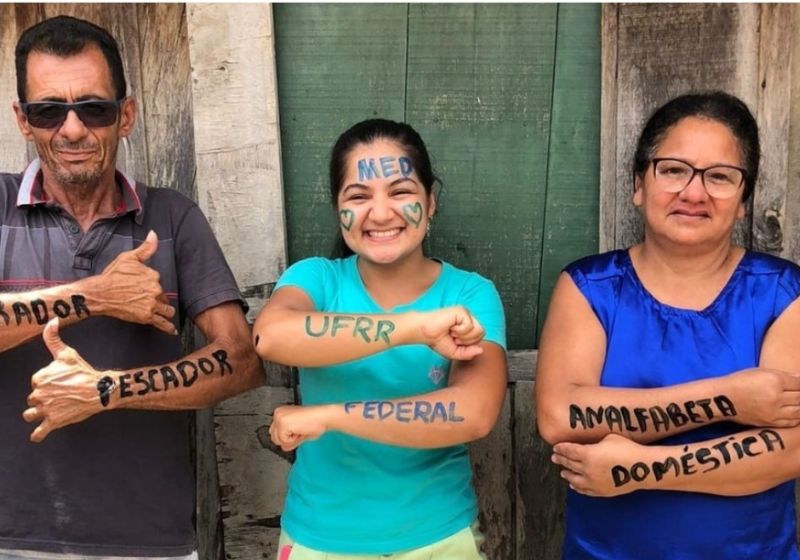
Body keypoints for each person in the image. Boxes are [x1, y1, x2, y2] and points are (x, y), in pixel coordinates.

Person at [0, 15, 263, 559]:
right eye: (49, 111)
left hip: (148, 543)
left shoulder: (172, 218)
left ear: (126, 115)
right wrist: (95, 296)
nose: (72, 130)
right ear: (23, 120)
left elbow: (241, 360)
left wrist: (105, 390)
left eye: (93, 108)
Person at [535, 91, 800, 559]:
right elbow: (559, 416)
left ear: (743, 200)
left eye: (720, 176)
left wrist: (639, 467)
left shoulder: (783, 293)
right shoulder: (590, 287)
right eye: (674, 170)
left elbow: (789, 450)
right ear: (639, 184)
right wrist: (728, 398)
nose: (694, 193)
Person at [253, 118, 507, 559]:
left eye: (401, 191)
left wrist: (329, 416)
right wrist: (414, 328)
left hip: (439, 540)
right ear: (338, 208)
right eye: (359, 196)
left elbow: (474, 413)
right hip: (318, 542)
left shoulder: (469, 294)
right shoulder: (317, 279)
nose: (382, 213)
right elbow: (270, 336)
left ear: (431, 201)